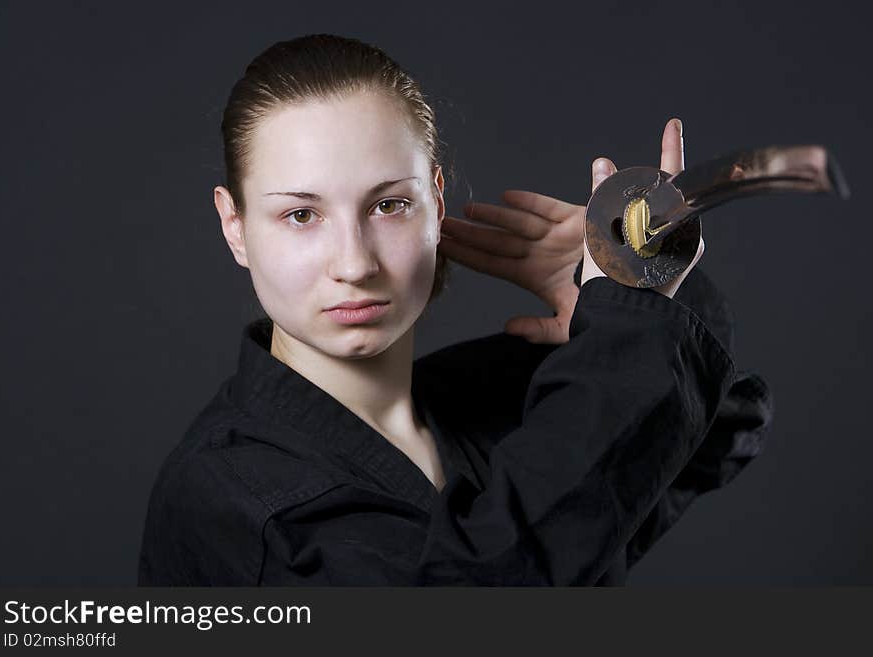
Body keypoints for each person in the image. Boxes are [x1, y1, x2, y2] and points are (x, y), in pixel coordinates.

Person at [137, 34, 772, 585]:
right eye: (301, 215)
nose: (354, 263)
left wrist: (634, 291)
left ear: (436, 204)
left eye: (389, 205)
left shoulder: (500, 400)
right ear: (236, 226)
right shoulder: (223, 497)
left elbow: (719, 426)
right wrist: (629, 329)